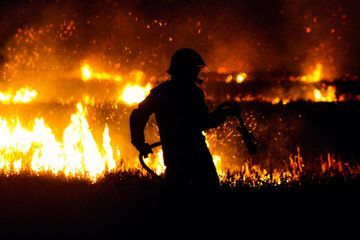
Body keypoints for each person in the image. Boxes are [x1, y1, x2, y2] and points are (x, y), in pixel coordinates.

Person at [130, 48, 237, 192]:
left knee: (178, 200)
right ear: (186, 69)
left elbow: (138, 115)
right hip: (197, 155)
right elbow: (203, 122)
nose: (197, 72)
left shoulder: (161, 92)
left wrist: (139, 143)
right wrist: (223, 114)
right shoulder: (193, 93)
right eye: (195, 69)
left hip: (175, 156)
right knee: (208, 195)